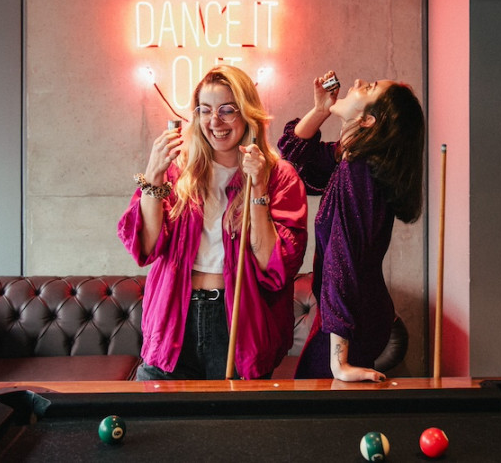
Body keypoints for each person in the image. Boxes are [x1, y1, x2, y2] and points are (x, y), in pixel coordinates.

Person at [118, 65, 307, 380]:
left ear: (248, 113)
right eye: (204, 110)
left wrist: (258, 189)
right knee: (156, 408)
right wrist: (153, 177)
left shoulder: (279, 176)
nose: (214, 121)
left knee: (233, 412)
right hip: (173, 316)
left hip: (237, 322)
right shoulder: (179, 171)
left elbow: (274, 268)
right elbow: (145, 248)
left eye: (227, 110)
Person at [278, 71, 425, 382]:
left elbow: (341, 260)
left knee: (314, 396)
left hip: (353, 318)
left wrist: (339, 361)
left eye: (368, 88)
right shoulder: (350, 160)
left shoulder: (358, 170)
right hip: (355, 315)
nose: (357, 82)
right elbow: (293, 156)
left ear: (368, 120)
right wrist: (320, 109)